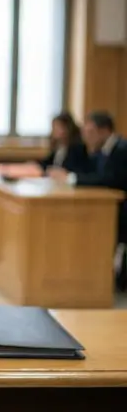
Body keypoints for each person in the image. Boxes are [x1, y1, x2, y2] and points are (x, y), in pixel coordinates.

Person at [49, 111, 127, 290]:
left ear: (105, 131)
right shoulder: (101, 150)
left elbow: (109, 180)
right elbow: (93, 174)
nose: (86, 137)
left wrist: (72, 178)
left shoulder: (121, 150)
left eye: (90, 132)